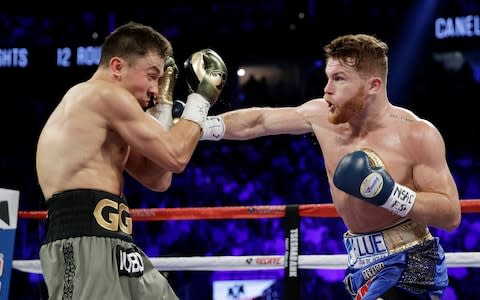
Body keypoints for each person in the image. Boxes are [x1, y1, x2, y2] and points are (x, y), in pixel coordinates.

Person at [200, 34, 461, 299]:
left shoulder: (417, 134)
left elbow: (451, 215)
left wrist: (391, 195)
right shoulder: (322, 116)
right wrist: (197, 126)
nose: (327, 89)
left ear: (373, 85)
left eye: (339, 78)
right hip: (361, 263)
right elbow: (260, 120)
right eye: (328, 77)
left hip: (411, 262)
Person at [35, 21, 227, 299]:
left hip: (118, 243)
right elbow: (176, 156)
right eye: (151, 76)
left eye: (159, 80)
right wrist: (202, 98)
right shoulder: (102, 94)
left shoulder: (106, 117)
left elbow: (158, 178)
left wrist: (163, 104)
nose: (153, 88)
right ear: (117, 66)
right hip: (82, 242)